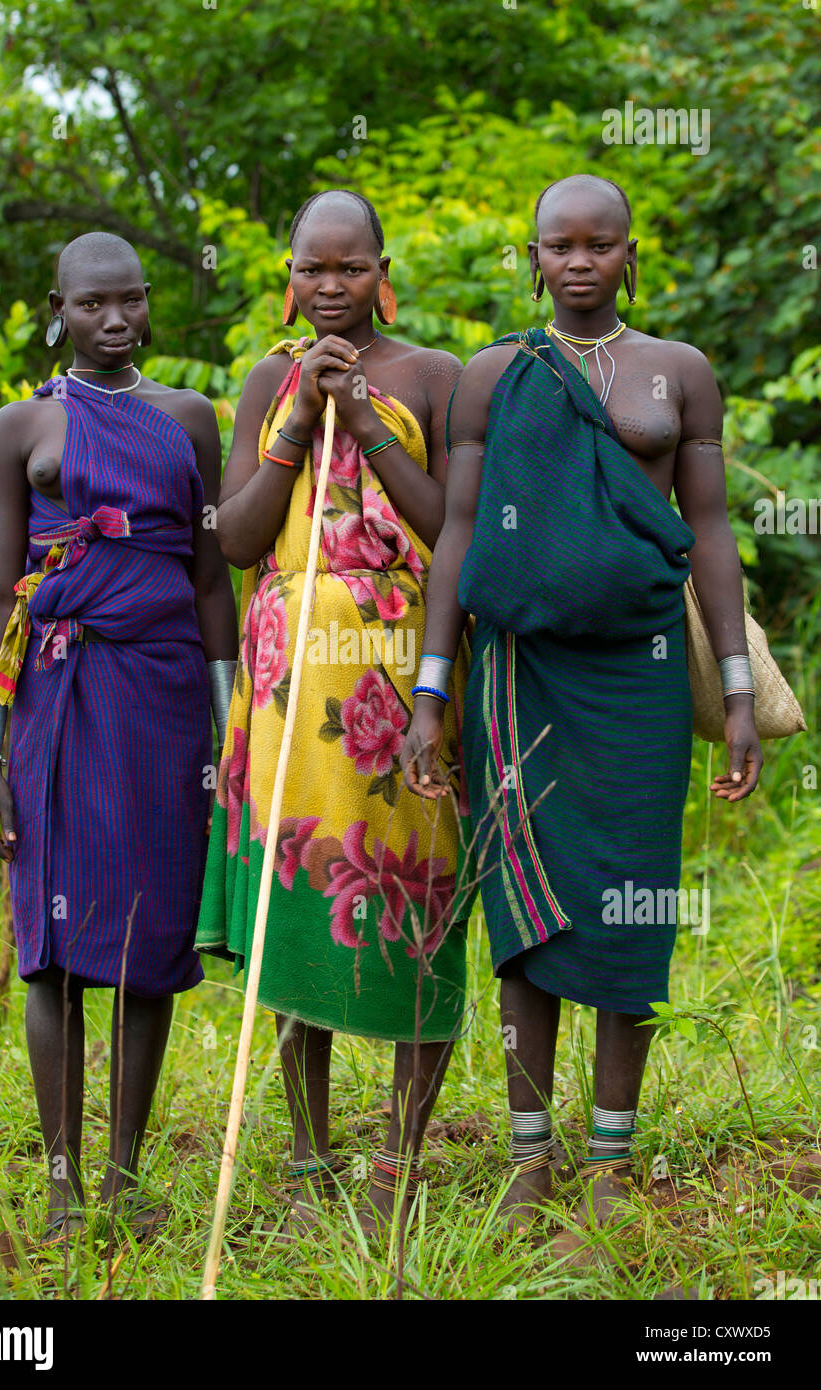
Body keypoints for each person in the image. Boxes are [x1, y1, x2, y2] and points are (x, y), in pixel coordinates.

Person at [402, 174, 762, 1245]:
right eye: (558, 245)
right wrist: (432, 688)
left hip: (644, 672)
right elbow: (459, 533)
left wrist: (736, 691)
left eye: (598, 245)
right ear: (532, 257)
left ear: (629, 257)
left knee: (632, 902)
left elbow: (707, 536)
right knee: (523, 906)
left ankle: (610, 1154)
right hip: (520, 671)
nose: (577, 262)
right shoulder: (493, 376)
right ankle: (527, 1151)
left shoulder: (678, 373)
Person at [196, 189, 475, 1232]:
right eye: (312, 269)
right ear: (288, 276)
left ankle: (400, 1156)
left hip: (404, 680)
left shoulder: (433, 377)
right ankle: (311, 1158)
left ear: (381, 270)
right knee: (295, 898)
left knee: (420, 891)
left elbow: (454, 527)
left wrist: (363, 418)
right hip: (285, 692)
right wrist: (299, 421)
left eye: (349, 269)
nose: (329, 288)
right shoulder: (268, 377)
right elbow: (233, 538)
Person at [0, 232, 238, 1240]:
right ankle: (61, 1180)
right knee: (49, 945)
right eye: (93, 306)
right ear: (60, 308)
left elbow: (211, 580)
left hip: (164, 698)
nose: (114, 321)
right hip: (52, 692)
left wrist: (230, 723)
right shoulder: (21, 425)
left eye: (130, 302)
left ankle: (124, 1171)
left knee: (147, 931)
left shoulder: (187, 420)